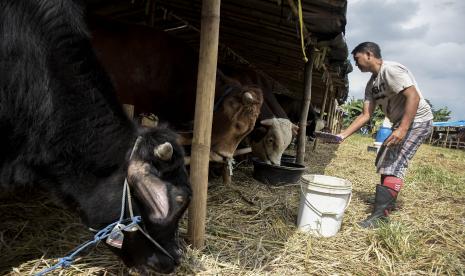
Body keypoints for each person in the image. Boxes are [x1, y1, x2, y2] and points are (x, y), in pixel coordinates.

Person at [336, 42, 433, 228]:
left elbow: (413, 96)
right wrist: (343, 135)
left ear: (369, 54)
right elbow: (366, 115)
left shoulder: (391, 70)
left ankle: (381, 216)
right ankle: (386, 203)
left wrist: (403, 129)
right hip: (401, 123)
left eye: (357, 59)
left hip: (417, 121)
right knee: (383, 160)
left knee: (394, 162)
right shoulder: (371, 84)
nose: (355, 64)